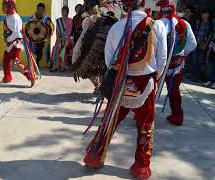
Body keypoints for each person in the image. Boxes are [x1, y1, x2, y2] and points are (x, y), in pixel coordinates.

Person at [83, 0, 167, 179]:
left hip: (120, 82)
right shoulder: (156, 25)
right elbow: (162, 58)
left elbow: (109, 59)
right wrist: (155, 77)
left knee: (109, 121)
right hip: (145, 84)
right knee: (145, 126)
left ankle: (94, 157)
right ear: (142, 2)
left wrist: (120, 73)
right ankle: (141, 166)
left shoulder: (117, 27)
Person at [157, 0, 197, 126]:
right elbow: (193, 44)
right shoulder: (185, 24)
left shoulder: (158, 23)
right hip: (177, 64)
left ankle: (144, 117)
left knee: (151, 89)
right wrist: (182, 54)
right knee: (174, 91)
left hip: (158, 62)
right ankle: (177, 116)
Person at [71, 0, 120, 94]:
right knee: (90, 67)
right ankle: (99, 87)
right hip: (95, 45)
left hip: (107, 45)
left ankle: (101, 88)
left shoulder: (116, 9)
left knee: (102, 68)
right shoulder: (92, 10)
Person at [2, 0, 35, 87]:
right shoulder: (9, 16)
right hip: (10, 43)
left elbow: (16, 34)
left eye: (5, 6)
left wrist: (8, 39)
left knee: (15, 61)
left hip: (15, 43)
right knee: (6, 60)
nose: (3, 7)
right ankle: (7, 76)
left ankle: (30, 76)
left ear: (9, 6)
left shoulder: (14, 18)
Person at [30, 3, 54, 68]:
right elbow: (29, 26)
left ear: (43, 10)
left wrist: (48, 26)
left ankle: (37, 63)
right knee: (33, 51)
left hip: (42, 39)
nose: (40, 11)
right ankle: (33, 63)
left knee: (40, 53)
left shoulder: (46, 18)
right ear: (37, 9)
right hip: (34, 38)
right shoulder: (33, 17)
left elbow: (52, 27)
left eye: (42, 9)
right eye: (39, 9)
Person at [50, 6, 73, 72]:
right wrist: (59, 37)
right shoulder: (59, 20)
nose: (63, 12)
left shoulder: (70, 21)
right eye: (62, 11)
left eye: (64, 11)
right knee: (56, 49)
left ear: (67, 12)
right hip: (59, 38)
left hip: (66, 39)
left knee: (64, 50)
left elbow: (69, 30)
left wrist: (65, 37)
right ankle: (55, 66)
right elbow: (57, 30)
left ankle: (63, 66)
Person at [191, 10, 212, 81]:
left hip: (203, 44)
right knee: (194, 59)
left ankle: (197, 76)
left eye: (205, 13)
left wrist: (205, 44)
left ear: (208, 15)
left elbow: (209, 35)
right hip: (195, 43)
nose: (203, 15)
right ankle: (193, 75)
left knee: (200, 60)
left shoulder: (210, 24)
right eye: (202, 14)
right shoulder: (198, 22)